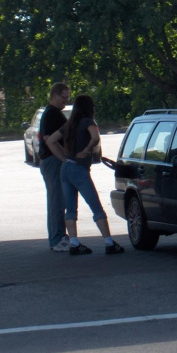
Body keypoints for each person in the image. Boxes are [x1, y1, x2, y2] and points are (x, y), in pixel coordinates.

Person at [46, 95, 124, 255]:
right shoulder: (89, 122)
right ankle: (109, 242)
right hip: (79, 170)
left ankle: (74, 243)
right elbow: (95, 138)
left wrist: (64, 157)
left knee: (70, 208)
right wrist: (87, 150)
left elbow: (51, 140)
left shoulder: (69, 124)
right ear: (89, 107)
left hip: (66, 168)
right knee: (96, 206)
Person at [39, 82, 71, 252]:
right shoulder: (52, 114)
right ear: (55, 95)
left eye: (68, 98)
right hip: (52, 162)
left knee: (58, 200)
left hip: (51, 161)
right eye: (64, 97)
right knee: (57, 200)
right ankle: (57, 239)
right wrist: (63, 158)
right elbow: (48, 140)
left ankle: (58, 236)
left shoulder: (53, 113)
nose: (66, 101)